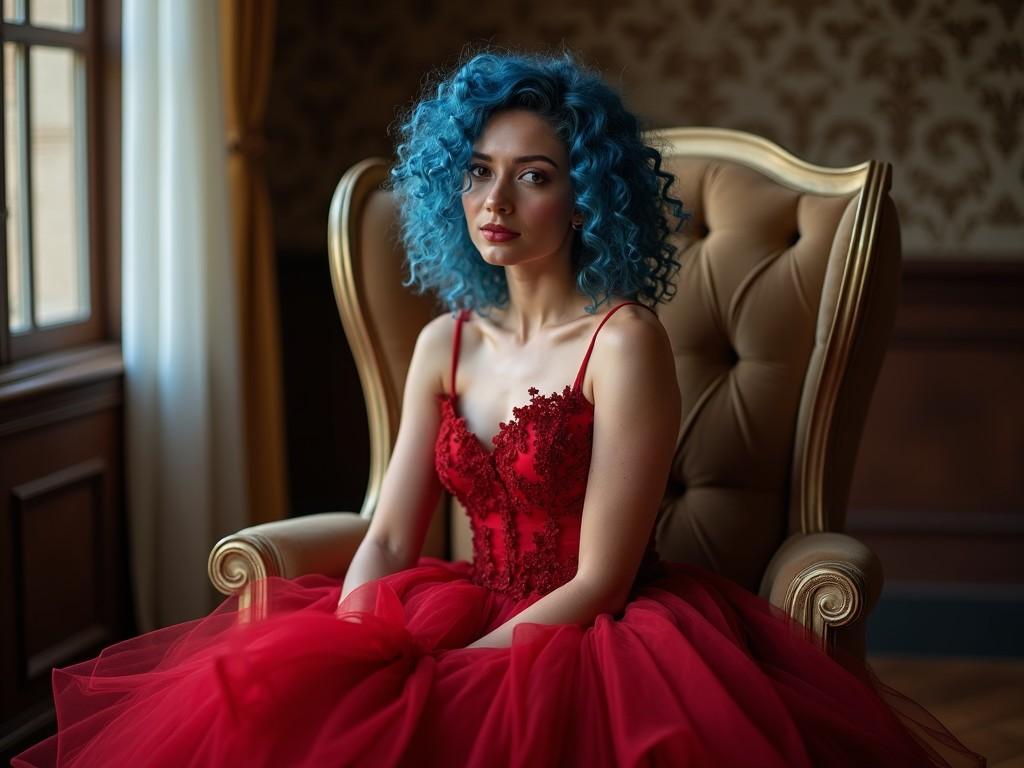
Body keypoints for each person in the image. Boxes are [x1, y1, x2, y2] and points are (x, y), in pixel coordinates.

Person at [14, 50, 983, 768]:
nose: (497, 199)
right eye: (478, 171)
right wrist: (356, 641)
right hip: (450, 603)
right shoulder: (445, 343)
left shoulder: (625, 342)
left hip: (594, 639)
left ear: (586, 199)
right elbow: (391, 537)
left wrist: (474, 665)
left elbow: (602, 578)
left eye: (535, 176)